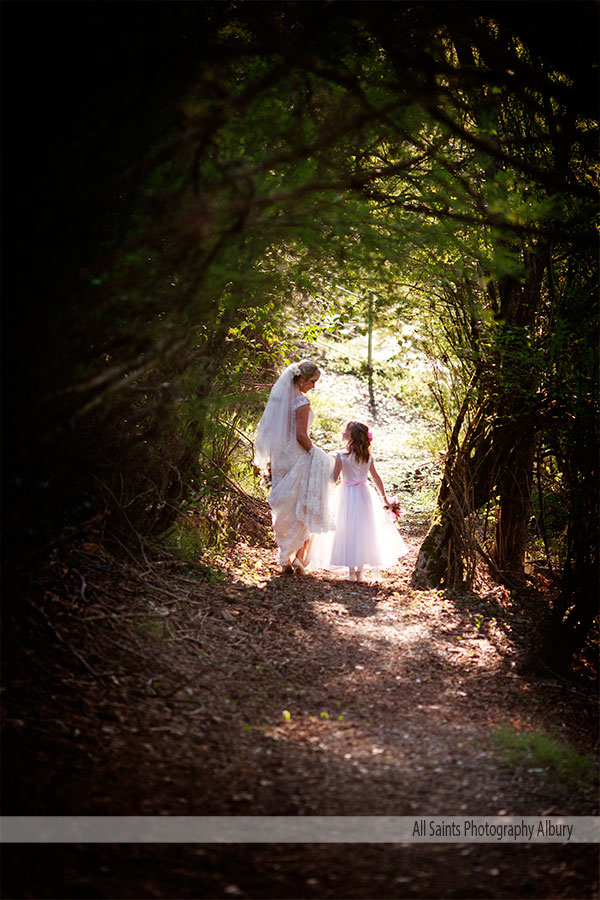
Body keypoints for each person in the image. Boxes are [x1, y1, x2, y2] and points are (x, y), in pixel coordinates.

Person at [254, 360, 335, 574]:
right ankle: (297, 558)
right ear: (301, 379)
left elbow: (271, 432)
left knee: (285, 506)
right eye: (312, 381)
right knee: (302, 503)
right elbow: (301, 436)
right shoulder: (301, 403)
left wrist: (270, 460)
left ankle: (285, 559)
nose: (313, 386)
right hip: (297, 457)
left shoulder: (279, 401)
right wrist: (316, 453)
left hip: (280, 457)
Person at [308, 421, 407, 581]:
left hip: (346, 494)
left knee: (347, 528)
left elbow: (332, 478)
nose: (342, 433)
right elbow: (376, 478)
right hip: (363, 494)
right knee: (363, 529)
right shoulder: (368, 458)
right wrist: (384, 498)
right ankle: (359, 572)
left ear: (351, 437)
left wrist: (321, 490)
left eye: (345, 431)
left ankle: (352, 571)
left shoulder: (342, 456)